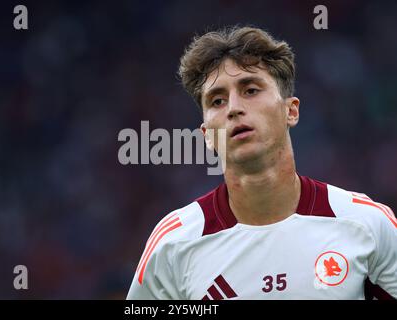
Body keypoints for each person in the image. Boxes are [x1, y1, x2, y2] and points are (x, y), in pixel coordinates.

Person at [126, 25, 397, 299]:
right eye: (217, 100)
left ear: (290, 111)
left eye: (251, 90)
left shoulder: (366, 224)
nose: (233, 108)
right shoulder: (173, 245)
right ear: (207, 135)